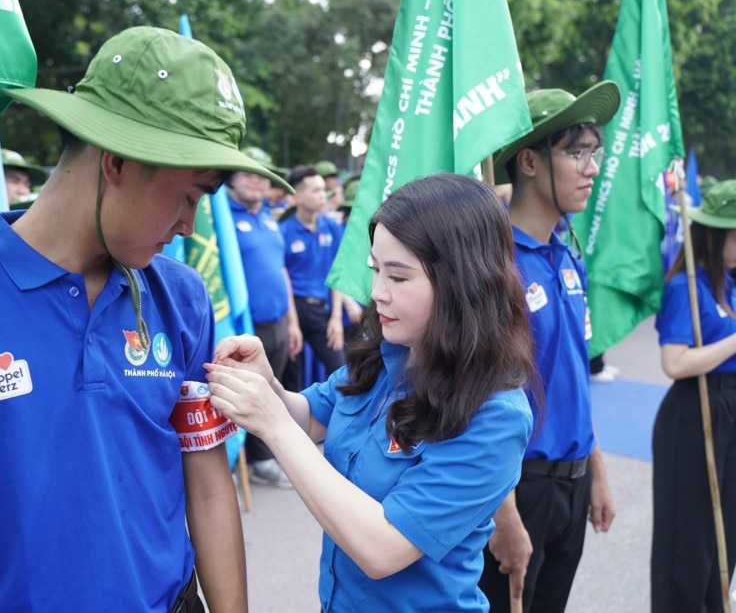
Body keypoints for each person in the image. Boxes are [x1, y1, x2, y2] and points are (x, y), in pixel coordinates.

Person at [0, 26, 290, 612]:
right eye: (189, 196)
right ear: (118, 162)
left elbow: (207, 484)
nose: (189, 227)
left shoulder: (182, 296)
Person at [205, 174, 536, 612]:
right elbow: (312, 417)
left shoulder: (496, 416)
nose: (378, 292)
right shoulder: (388, 354)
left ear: (463, 282)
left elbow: (383, 548)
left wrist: (272, 421)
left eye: (398, 277)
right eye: (376, 270)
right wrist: (268, 384)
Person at [479, 82, 619, 612]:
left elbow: (572, 376)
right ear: (530, 162)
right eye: (577, 152)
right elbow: (481, 398)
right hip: (519, 488)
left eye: (594, 153)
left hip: (573, 482)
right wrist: (504, 515)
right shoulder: (496, 266)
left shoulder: (566, 253)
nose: (591, 167)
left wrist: (595, 470)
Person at [652, 178, 736, 612]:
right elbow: (676, 363)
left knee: (725, 539)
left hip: (729, 409)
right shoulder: (687, 286)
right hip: (696, 411)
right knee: (689, 543)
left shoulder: (729, 283)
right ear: (715, 233)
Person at [227, 146, 303, 488]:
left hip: (277, 322)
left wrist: (293, 321)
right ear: (233, 177)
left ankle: (261, 459)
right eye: (248, 174)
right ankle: (241, 460)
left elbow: (281, 271)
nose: (256, 182)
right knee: (240, 392)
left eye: (262, 176)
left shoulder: (271, 219)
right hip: (245, 325)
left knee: (269, 392)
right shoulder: (222, 219)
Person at [279, 165, 347, 391]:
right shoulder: (284, 230)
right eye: (316, 190)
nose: (323, 195)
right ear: (297, 197)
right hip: (293, 309)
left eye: (323, 189)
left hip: (322, 310)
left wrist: (336, 318)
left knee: (341, 370)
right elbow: (284, 279)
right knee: (292, 379)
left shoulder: (332, 227)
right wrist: (292, 325)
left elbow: (337, 273)